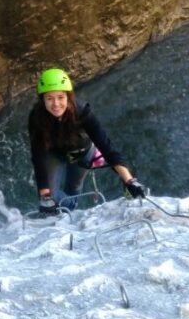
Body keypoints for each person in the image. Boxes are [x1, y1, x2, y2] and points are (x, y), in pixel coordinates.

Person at [28, 67, 146, 215]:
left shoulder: (82, 111)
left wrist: (129, 181)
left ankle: (67, 214)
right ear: (42, 100)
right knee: (50, 196)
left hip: (82, 151)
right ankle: (67, 211)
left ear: (69, 97)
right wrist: (45, 196)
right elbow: (38, 155)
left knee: (74, 188)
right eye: (49, 98)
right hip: (54, 153)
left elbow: (105, 144)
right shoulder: (37, 117)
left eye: (60, 97)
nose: (56, 104)